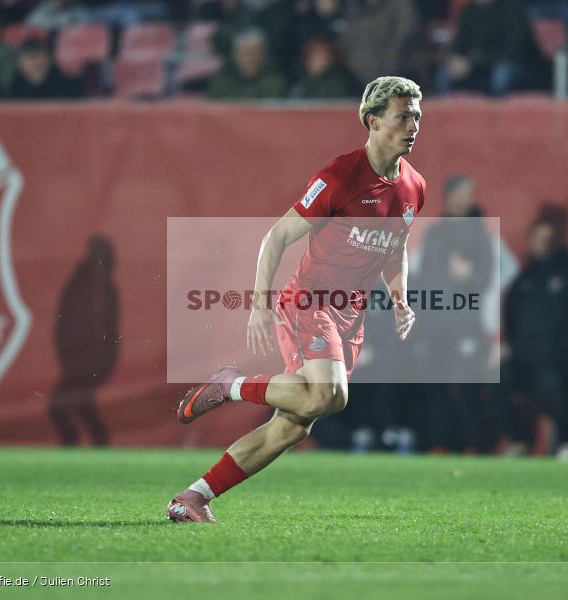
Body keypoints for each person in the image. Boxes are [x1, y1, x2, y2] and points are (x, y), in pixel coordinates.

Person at [167, 76, 425, 522]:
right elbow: (277, 237)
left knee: (291, 425)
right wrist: (260, 303)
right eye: (403, 116)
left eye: (417, 116)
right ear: (373, 121)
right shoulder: (340, 176)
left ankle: (192, 498)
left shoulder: (414, 186)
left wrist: (399, 296)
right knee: (330, 397)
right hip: (311, 302)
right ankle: (229, 386)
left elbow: (395, 245)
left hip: (350, 316)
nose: (413, 125)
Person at [495, 216, 568, 459]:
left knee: (551, 382)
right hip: (527, 357)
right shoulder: (524, 280)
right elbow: (510, 319)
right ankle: (519, 440)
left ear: (557, 242)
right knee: (499, 379)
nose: (542, 244)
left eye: (547, 239)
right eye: (537, 238)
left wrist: (567, 351)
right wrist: (521, 347)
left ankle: (567, 441)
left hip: (564, 359)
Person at [416, 175, 494, 453]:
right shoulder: (435, 233)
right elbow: (424, 279)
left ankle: (474, 443)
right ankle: (439, 442)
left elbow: (485, 278)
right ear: (448, 197)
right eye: (461, 193)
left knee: (466, 386)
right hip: (436, 323)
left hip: (465, 324)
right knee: (435, 384)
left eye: (469, 194)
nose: (466, 199)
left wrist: (469, 276)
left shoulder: (480, 234)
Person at [48, 236, 119, 446]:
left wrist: (101, 357)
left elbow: (108, 329)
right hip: (78, 357)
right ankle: (95, 443)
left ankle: (90, 442)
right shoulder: (81, 284)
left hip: (92, 359)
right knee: (75, 404)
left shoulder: (104, 289)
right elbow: (65, 322)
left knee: (66, 404)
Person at [444, 0, 551, 97]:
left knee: (502, 74)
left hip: (523, 69)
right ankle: (442, 116)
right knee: (445, 74)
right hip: (481, 69)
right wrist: (457, 60)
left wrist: (472, 63)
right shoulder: (469, 11)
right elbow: (459, 45)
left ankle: (498, 116)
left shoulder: (514, 8)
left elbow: (512, 53)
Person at [205, 28, 287, 100]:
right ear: (235, 54)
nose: (250, 57)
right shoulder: (221, 83)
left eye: (254, 52)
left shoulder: (275, 83)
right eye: (244, 52)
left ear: (264, 54)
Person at [8, 38, 81, 100]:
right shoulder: (13, 89)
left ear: (49, 60)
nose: (34, 63)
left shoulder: (68, 87)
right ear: (20, 64)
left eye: (38, 57)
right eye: (29, 58)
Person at [289, 34, 355, 99]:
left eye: (325, 56)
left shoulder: (335, 84)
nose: (321, 60)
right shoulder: (300, 81)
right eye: (316, 55)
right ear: (307, 57)